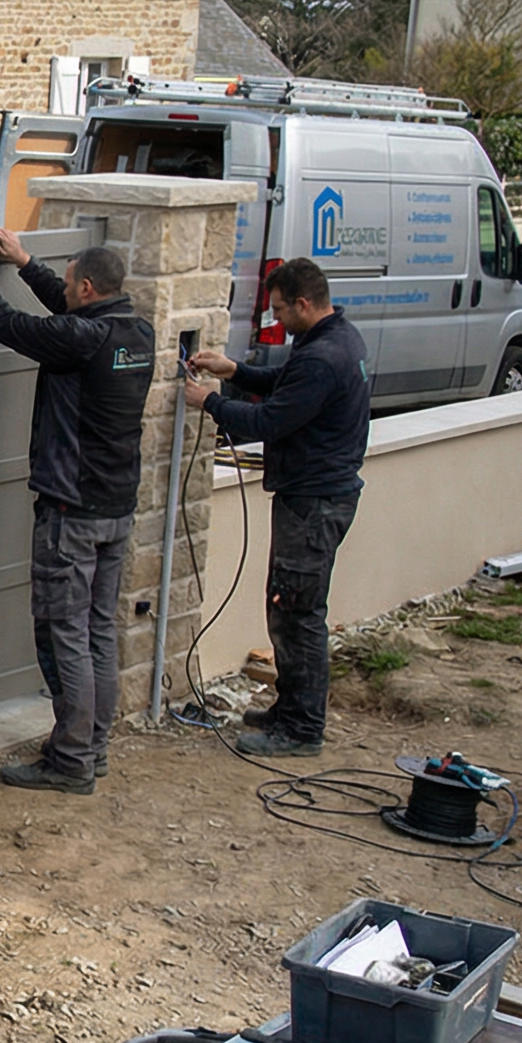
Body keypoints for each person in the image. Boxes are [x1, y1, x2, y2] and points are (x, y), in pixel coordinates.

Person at [0, 228, 155, 795]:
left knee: (64, 633)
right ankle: (91, 747)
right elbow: (69, 318)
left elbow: (5, 324)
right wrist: (25, 263)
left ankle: (70, 759)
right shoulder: (134, 332)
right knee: (96, 632)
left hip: (70, 512)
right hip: (115, 509)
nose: (64, 290)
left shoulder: (84, 338)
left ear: (87, 288)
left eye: (69, 284)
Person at [185, 257, 371, 759]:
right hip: (318, 495)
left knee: (296, 613)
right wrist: (236, 371)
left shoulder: (321, 356)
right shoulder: (337, 338)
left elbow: (270, 421)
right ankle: (290, 709)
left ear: (304, 303)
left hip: (313, 503)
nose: (277, 319)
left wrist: (209, 402)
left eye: (281, 310)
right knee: (289, 606)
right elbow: (287, 386)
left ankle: (302, 728)